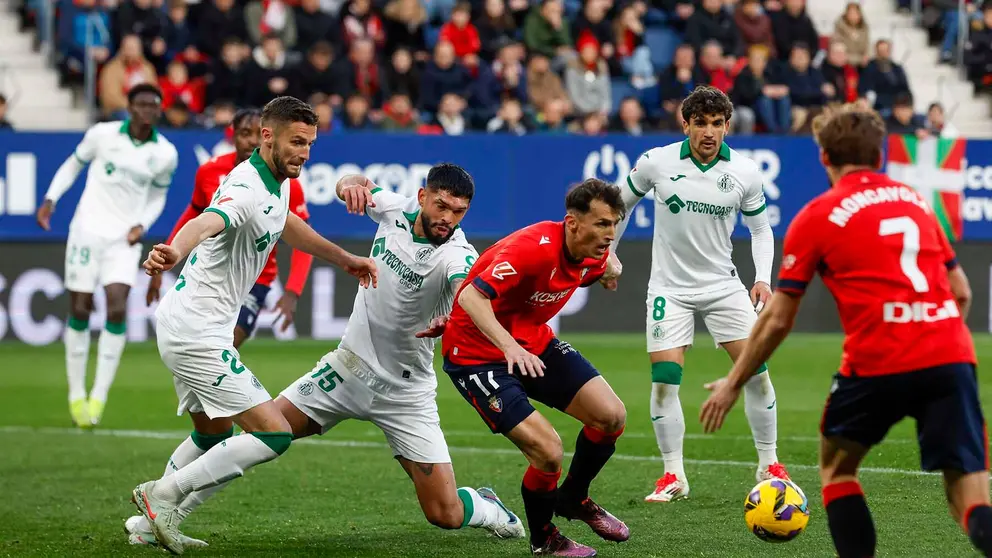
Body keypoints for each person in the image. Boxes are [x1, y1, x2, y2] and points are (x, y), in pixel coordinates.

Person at [125, 164, 525, 548]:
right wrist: (349, 183)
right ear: (422, 197)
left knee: (444, 513)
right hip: (345, 369)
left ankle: (486, 506)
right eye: (441, 206)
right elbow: (354, 185)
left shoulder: (458, 253)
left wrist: (453, 318)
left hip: (405, 393)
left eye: (458, 212)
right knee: (260, 436)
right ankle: (159, 518)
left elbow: (467, 293)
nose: (448, 219)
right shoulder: (393, 208)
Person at [700, 103, 992, 558]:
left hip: (878, 360)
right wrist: (930, 328)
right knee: (969, 497)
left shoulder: (817, 215)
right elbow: (963, 292)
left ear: (824, 157)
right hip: (949, 355)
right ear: (880, 154)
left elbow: (778, 318)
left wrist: (732, 383)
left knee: (837, 468)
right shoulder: (915, 201)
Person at [130, 96, 378, 555]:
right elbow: (208, 220)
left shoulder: (276, 181)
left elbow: (286, 225)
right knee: (274, 433)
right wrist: (174, 250)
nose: (304, 152)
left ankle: (149, 525)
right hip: (196, 331)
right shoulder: (245, 185)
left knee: (213, 434)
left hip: (192, 321)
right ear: (268, 136)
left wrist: (344, 259)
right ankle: (160, 496)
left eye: (310, 143)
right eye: (296, 141)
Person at [610, 85, 788, 503]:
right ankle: (673, 475)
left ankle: (769, 463)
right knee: (665, 382)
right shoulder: (656, 162)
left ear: (727, 126)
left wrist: (762, 276)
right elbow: (619, 205)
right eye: (701, 123)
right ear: (685, 123)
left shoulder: (744, 172)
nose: (709, 131)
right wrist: (607, 256)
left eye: (717, 123)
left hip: (723, 286)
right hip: (669, 289)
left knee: (756, 372)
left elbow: (761, 229)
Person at [441, 178, 629, 557]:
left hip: (532, 342)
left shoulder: (594, 252)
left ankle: (573, 498)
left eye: (614, 224)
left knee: (611, 416)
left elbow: (608, 265)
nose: (610, 234)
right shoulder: (532, 250)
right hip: (476, 354)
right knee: (548, 451)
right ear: (572, 223)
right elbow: (472, 296)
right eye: (602, 224)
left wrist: (612, 270)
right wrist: (508, 346)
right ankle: (544, 539)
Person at [36, 83, 178, 429]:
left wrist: (142, 223)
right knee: (80, 307)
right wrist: (51, 199)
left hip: (123, 240)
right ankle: (75, 393)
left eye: (154, 106)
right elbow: (72, 165)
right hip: (86, 231)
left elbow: (158, 196)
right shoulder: (102, 135)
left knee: (116, 306)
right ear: (129, 107)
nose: (149, 111)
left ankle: (98, 395)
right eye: (142, 105)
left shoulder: (165, 153)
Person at [145, 108, 313, 348]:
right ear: (232, 136)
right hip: (215, 274)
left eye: (258, 133)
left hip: (256, 279)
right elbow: (194, 215)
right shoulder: (209, 171)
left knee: (225, 344)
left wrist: (292, 291)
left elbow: (303, 240)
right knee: (201, 349)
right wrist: (164, 260)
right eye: (245, 133)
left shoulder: (288, 184)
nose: (252, 140)